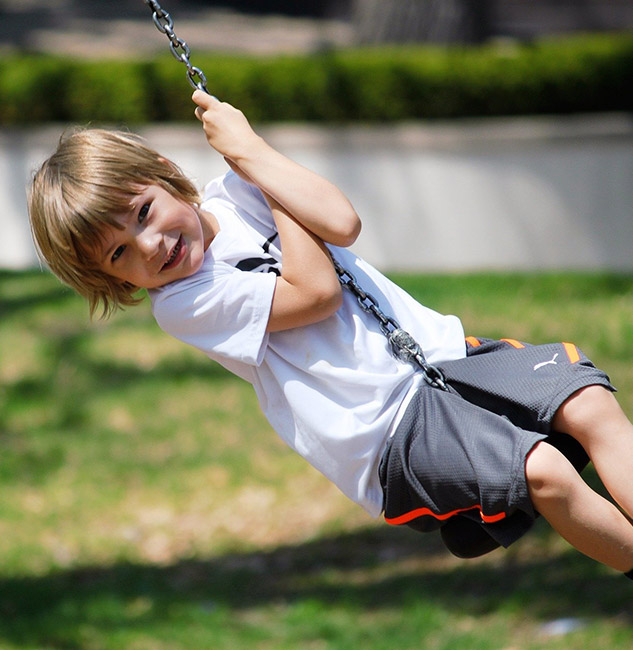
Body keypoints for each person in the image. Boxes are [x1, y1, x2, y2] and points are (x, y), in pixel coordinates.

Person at [28, 90, 633, 578]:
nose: (151, 245)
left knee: (589, 403)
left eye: (144, 213)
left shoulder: (237, 191)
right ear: (111, 280)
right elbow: (315, 294)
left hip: (446, 358)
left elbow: (342, 221)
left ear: (164, 173)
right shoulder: (185, 302)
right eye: (120, 253)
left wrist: (253, 154)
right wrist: (267, 178)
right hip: (385, 432)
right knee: (544, 470)